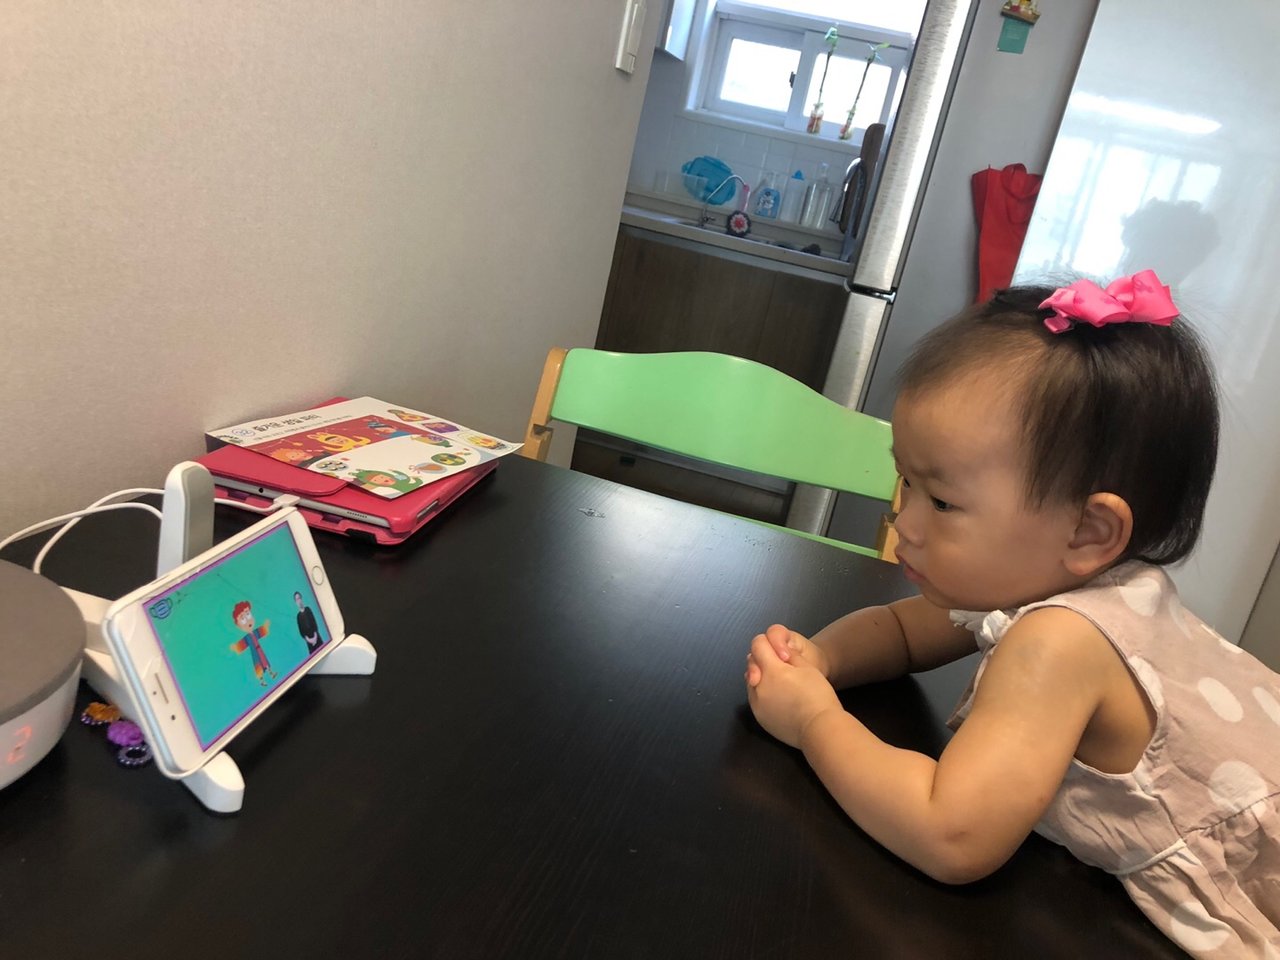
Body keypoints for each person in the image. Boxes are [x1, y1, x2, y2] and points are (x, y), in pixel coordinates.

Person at [744, 272, 1280, 957]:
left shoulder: (1061, 640)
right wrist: (821, 659)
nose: (903, 521)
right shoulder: (1055, 578)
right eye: (907, 481)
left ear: (1089, 532)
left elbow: (949, 834)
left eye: (942, 502)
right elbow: (906, 633)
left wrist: (812, 719)